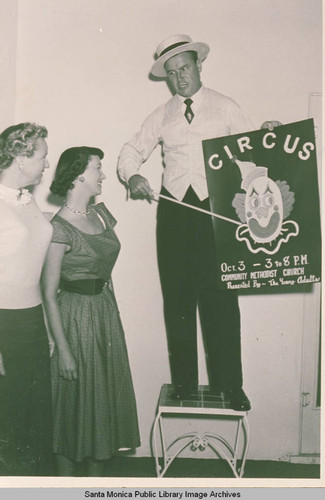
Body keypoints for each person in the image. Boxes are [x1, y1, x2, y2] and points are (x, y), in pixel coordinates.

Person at [117, 34, 253, 410]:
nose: (180, 78)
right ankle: (184, 383)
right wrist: (133, 176)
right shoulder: (161, 115)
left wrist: (269, 134)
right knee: (177, 298)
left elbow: (254, 150)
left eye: (185, 68)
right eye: (173, 73)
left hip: (217, 213)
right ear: (167, 77)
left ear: (198, 66)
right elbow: (130, 152)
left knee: (222, 299)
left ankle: (231, 384)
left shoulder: (226, 107)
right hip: (174, 212)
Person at [42, 146, 140, 476]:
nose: (104, 175)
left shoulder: (100, 213)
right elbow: (48, 292)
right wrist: (64, 352)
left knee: (101, 408)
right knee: (71, 411)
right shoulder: (58, 228)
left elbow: (105, 265)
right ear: (80, 174)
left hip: (104, 317)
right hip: (74, 320)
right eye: (99, 168)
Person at [0, 122, 53, 475]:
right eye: (42, 156)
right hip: (4, 323)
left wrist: (45, 326)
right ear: (21, 157)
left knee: (36, 423)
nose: (46, 164)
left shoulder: (25, 198)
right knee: (10, 424)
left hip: (32, 320)